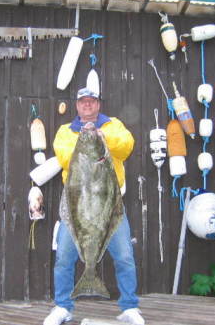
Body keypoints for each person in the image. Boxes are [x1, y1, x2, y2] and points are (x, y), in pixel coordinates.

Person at [43, 87, 145, 325]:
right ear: (77, 106)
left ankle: (129, 307)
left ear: (98, 104)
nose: (87, 105)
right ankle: (62, 306)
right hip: (76, 205)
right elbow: (66, 157)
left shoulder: (113, 125)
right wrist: (87, 138)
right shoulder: (64, 131)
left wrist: (103, 137)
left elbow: (126, 147)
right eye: (83, 102)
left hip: (109, 203)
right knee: (64, 258)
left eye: (92, 101)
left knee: (124, 256)